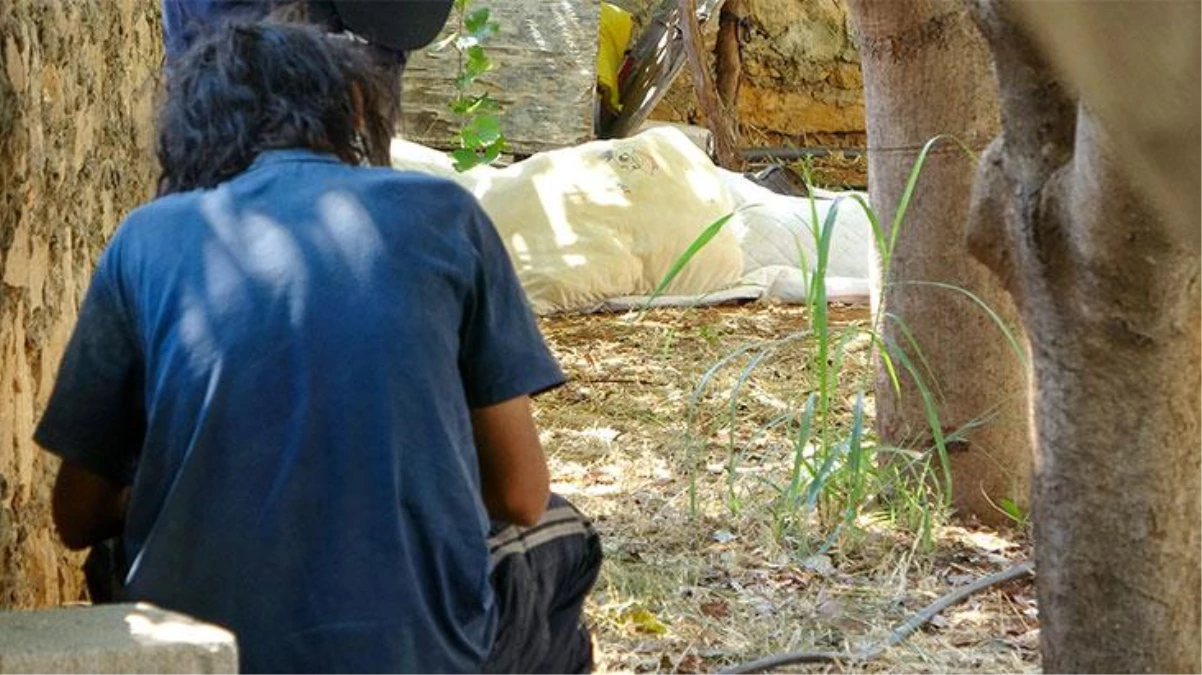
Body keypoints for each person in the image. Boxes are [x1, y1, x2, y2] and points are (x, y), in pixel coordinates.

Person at [35, 20, 601, 674]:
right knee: (565, 537)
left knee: (119, 557)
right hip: (418, 653)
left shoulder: (145, 238)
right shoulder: (444, 213)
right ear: (354, 106)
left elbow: (75, 515)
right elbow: (523, 493)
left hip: (202, 655)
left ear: (192, 129)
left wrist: (193, 477)